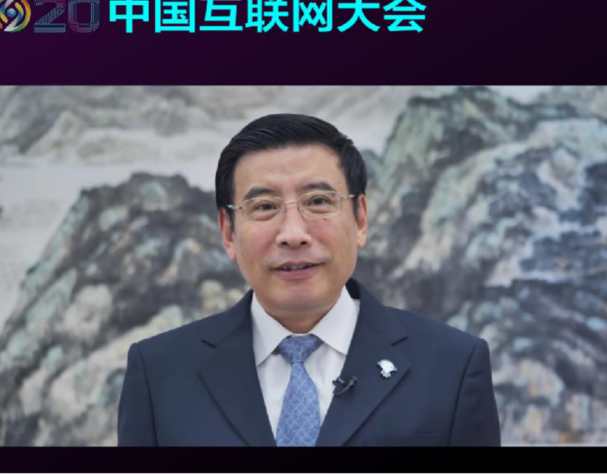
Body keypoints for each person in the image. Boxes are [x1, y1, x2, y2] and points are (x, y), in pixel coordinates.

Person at [117, 113, 501, 446]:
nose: (293, 234)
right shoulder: (159, 373)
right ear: (228, 232)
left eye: (318, 201)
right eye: (264, 206)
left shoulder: (452, 367)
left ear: (360, 219)